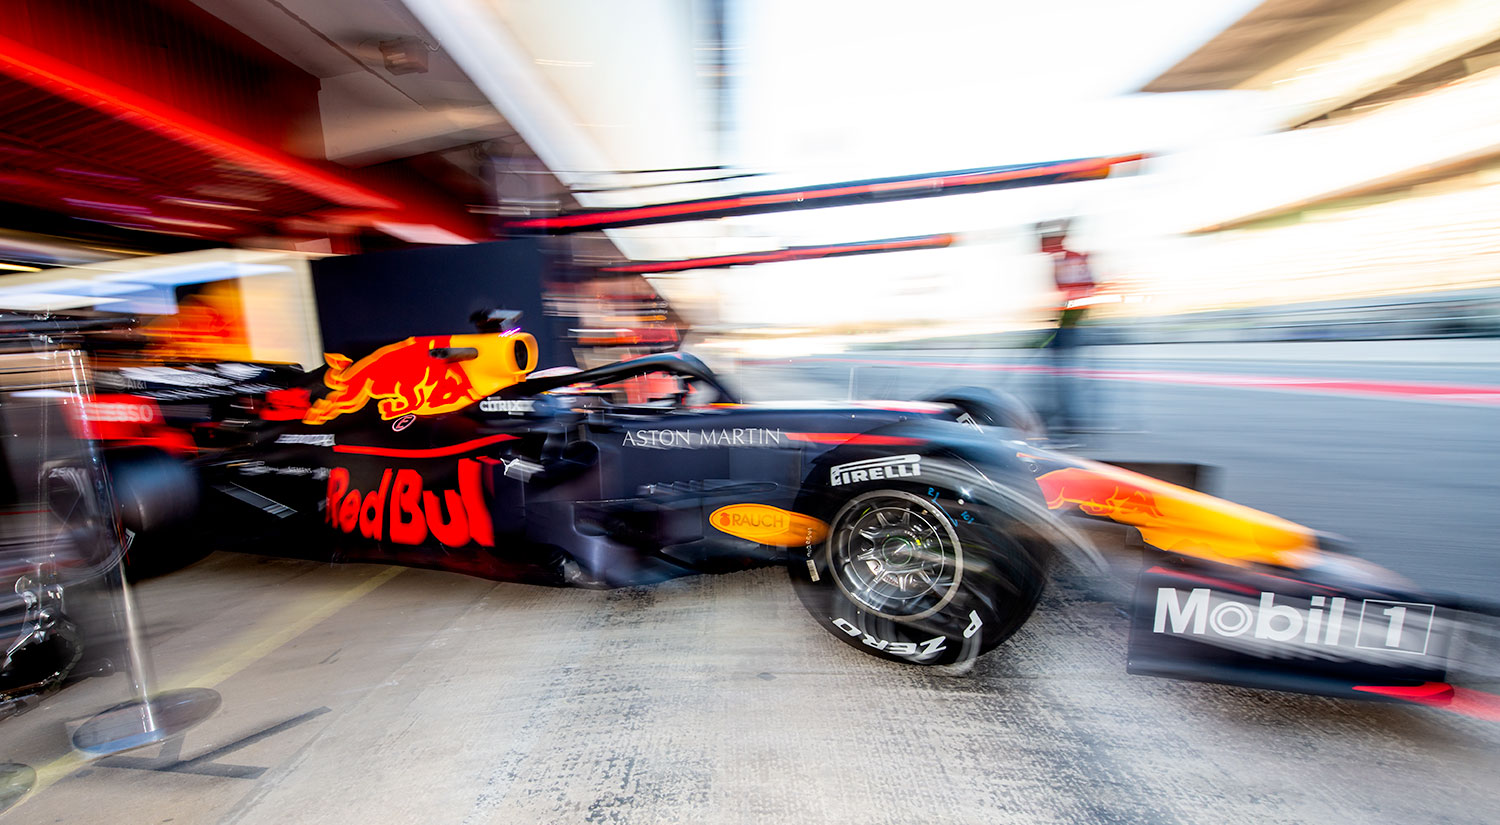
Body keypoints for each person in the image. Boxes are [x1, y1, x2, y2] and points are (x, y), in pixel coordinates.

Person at [1036, 219, 1096, 433]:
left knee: (1064, 378)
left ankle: (1070, 422)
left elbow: (1068, 291)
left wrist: (1065, 323)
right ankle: (1069, 419)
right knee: (1066, 376)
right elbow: (1090, 286)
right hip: (1074, 324)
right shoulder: (1074, 258)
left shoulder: (1063, 260)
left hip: (1069, 326)